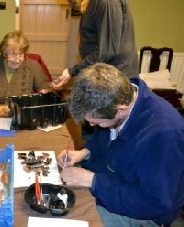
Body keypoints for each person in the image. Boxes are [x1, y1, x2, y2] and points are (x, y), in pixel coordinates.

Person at [57, 63, 184, 227]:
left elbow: (153, 203)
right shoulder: (118, 97)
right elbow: (102, 137)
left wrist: (93, 181)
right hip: (110, 184)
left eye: (97, 123)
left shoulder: (164, 135)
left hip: (144, 214)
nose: (95, 126)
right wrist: (84, 152)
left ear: (121, 111)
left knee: (68, 219)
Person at [51, 0, 139, 88]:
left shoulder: (106, 2)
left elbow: (106, 52)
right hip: (103, 78)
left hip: (115, 83)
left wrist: (73, 71)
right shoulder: (93, 3)